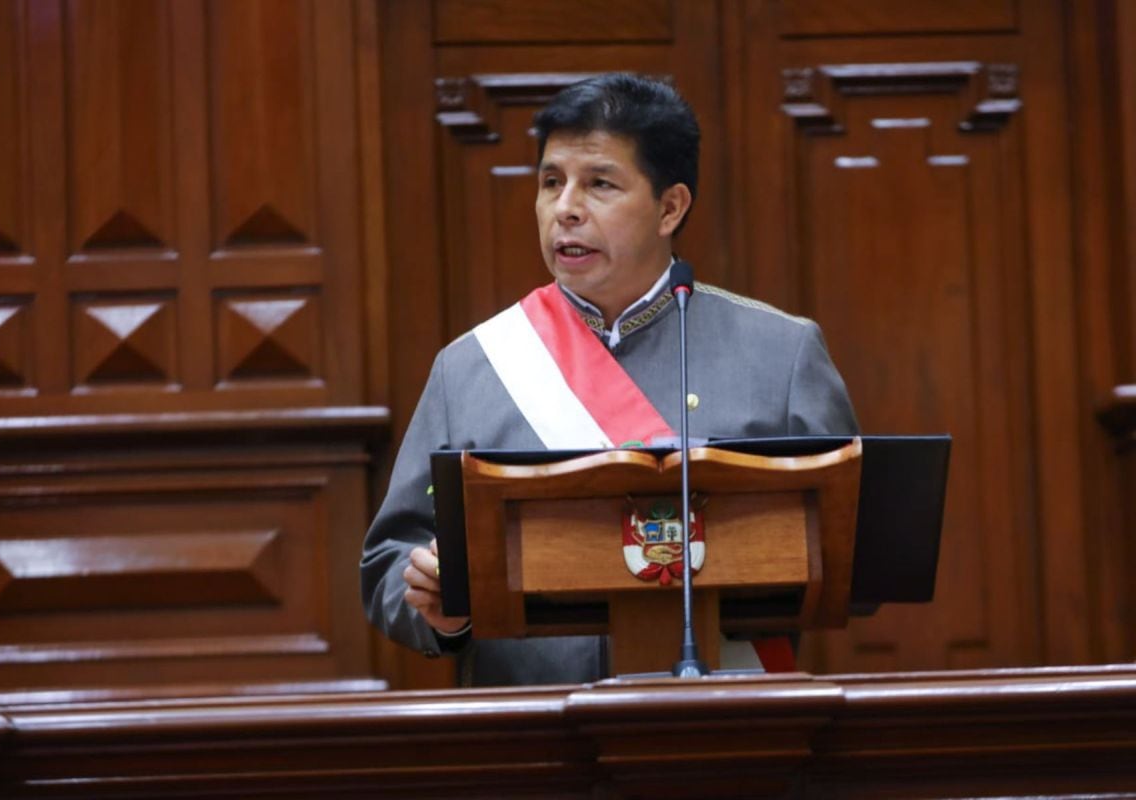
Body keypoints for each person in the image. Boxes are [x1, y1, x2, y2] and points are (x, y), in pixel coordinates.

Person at [361, 73, 857, 686]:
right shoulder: (472, 366)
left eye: (599, 183)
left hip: (724, 727)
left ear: (670, 207)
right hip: (529, 737)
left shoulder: (780, 354)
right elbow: (389, 560)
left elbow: (855, 552)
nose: (565, 207)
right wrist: (442, 609)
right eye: (550, 182)